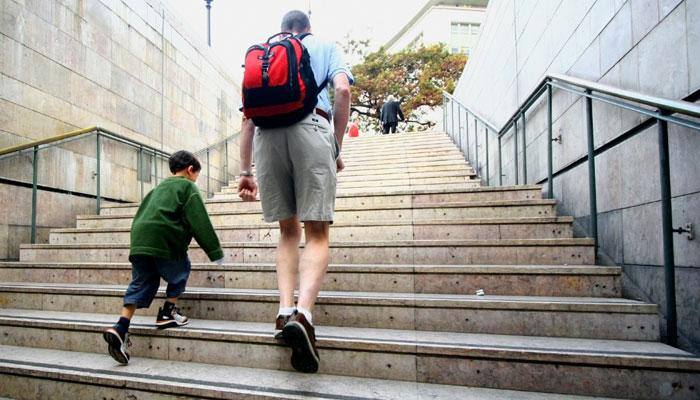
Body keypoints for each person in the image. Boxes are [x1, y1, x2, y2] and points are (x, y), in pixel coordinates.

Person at [237, 10, 353, 373]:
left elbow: (247, 118)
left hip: (267, 140)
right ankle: (303, 315)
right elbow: (344, 91)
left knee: (288, 231)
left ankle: (283, 309)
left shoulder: (263, 54)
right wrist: (334, 146)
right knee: (316, 231)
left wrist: (245, 172)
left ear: (283, 29)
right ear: (308, 28)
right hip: (311, 129)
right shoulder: (325, 46)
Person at [103, 150, 224, 365]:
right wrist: (215, 252)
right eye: (197, 174)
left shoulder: (156, 189)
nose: (196, 179)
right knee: (180, 270)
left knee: (141, 282)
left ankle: (121, 327)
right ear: (190, 170)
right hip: (164, 239)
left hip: (140, 240)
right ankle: (167, 312)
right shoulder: (187, 187)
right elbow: (200, 222)